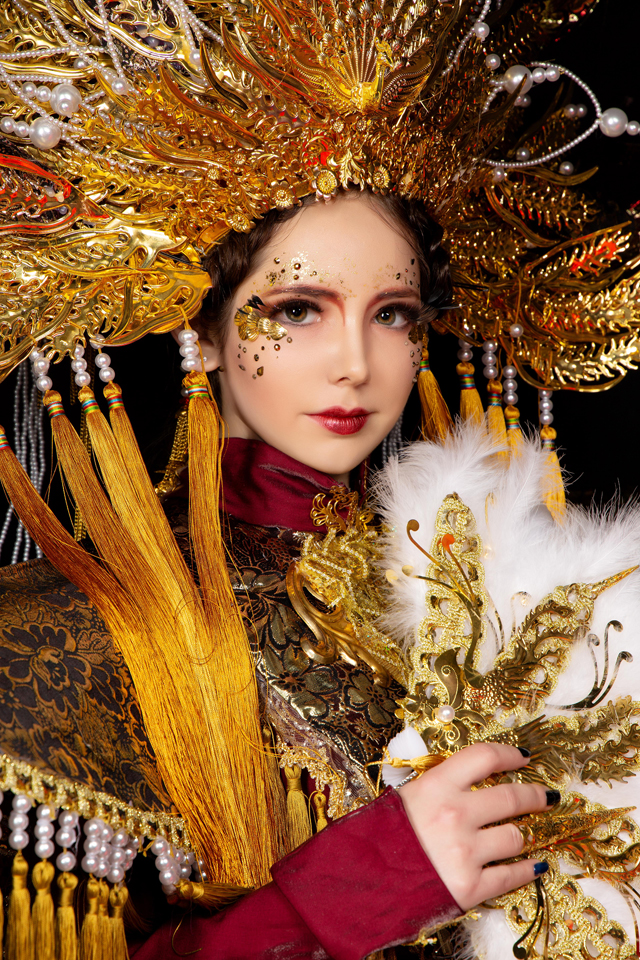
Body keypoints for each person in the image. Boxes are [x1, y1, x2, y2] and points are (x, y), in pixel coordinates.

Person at [0, 1, 639, 958]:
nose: (355, 364)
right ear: (205, 325)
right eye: (298, 309)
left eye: (393, 314)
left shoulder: (493, 592)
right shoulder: (61, 640)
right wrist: (361, 886)